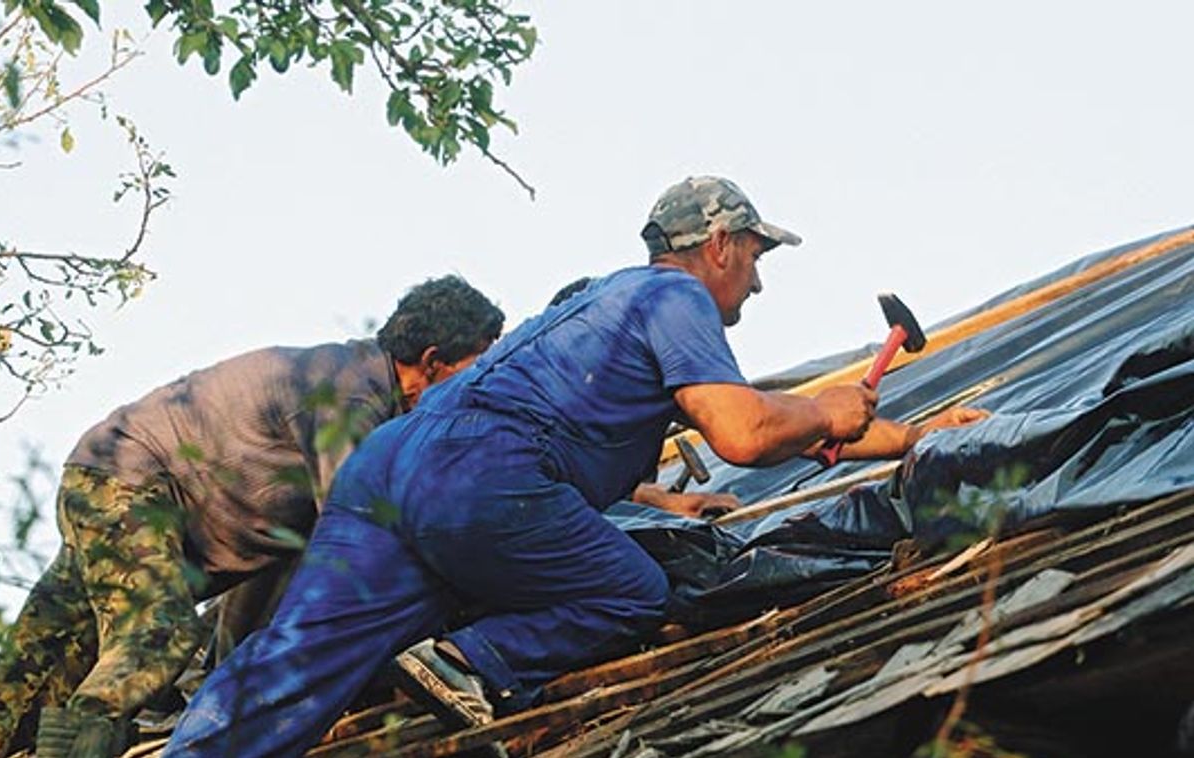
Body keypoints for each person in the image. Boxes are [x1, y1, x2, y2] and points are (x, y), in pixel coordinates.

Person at [163, 176, 987, 756]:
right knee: (628, 586)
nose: (759, 284)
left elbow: (789, 432)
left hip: (390, 468)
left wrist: (914, 434)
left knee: (293, 664)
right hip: (482, 476)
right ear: (722, 244)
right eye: (757, 258)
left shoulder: (597, 301)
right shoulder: (678, 299)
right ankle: (466, 662)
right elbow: (743, 434)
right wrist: (825, 407)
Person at [0, 275, 505, 758]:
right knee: (157, 638)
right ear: (431, 361)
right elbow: (357, 541)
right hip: (135, 485)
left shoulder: (346, 377)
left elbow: (291, 563)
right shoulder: (354, 396)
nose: (475, 385)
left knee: (42, 658)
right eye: (474, 366)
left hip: (111, 479)